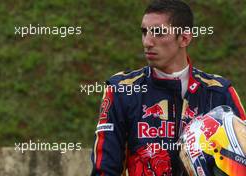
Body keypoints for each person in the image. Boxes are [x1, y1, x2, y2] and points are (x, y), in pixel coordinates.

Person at [90, 0, 246, 175]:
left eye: (158, 32)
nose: (147, 42)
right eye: (144, 32)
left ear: (184, 38)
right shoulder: (122, 90)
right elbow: (105, 169)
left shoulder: (218, 92)